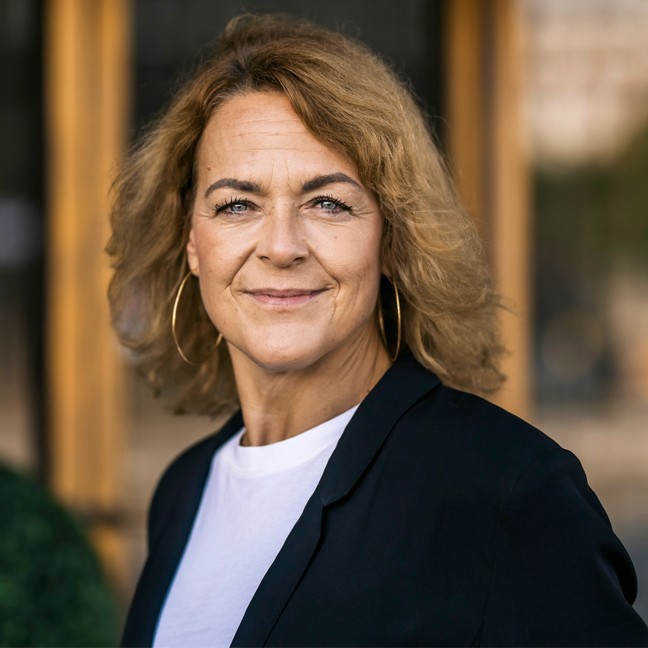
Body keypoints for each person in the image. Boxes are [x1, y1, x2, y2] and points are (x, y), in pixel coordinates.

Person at [108, 13, 648, 647]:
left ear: (391, 238)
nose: (280, 246)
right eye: (236, 204)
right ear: (191, 241)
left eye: (327, 203)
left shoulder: (505, 490)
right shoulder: (183, 491)